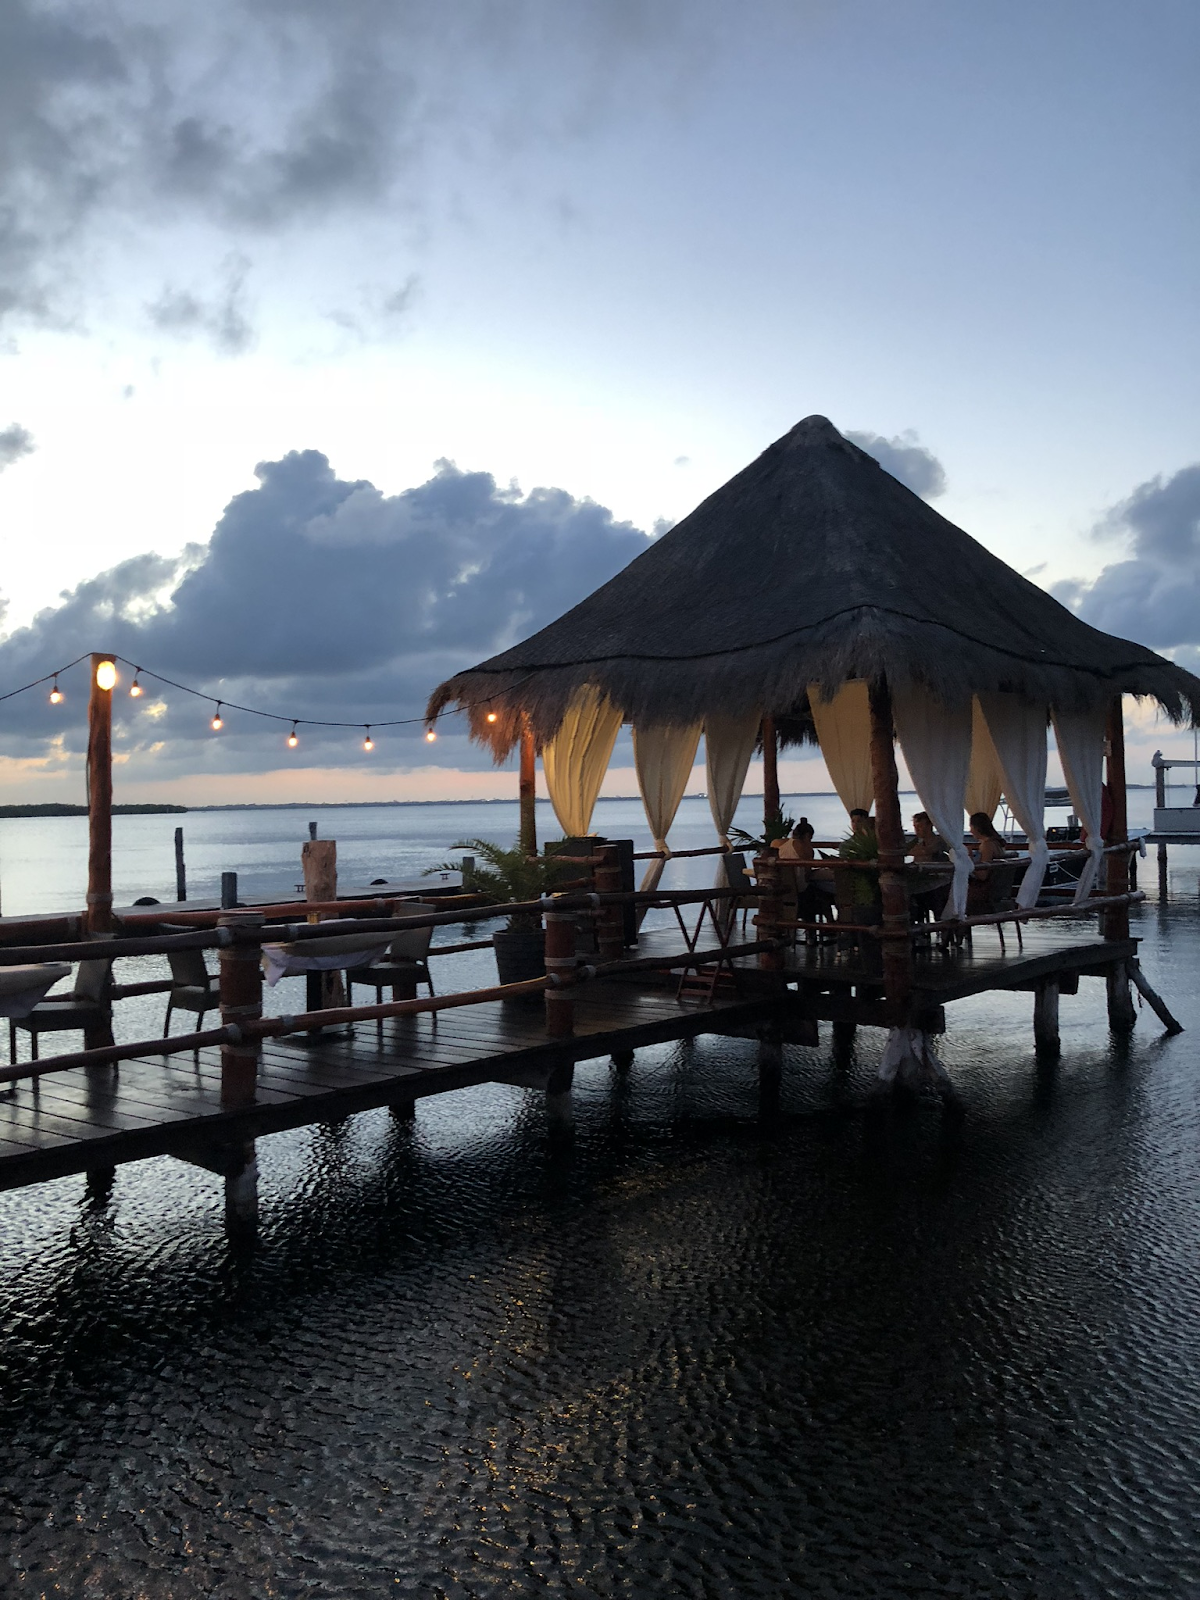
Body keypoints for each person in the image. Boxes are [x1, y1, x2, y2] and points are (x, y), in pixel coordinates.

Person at [967, 810, 1009, 913]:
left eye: (971, 827)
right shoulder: (997, 844)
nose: (970, 831)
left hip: (984, 891)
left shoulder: (987, 846)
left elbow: (982, 875)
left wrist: (969, 859)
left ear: (977, 828)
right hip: (997, 889)